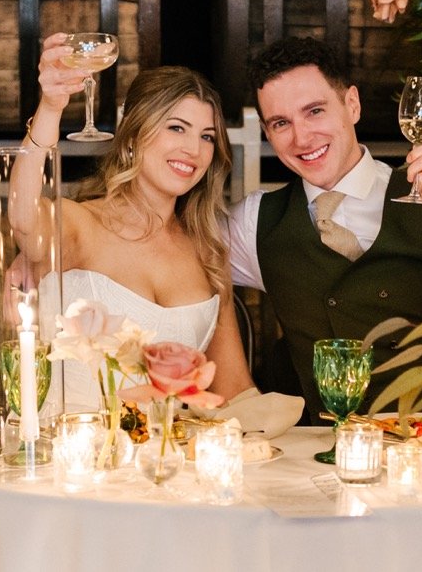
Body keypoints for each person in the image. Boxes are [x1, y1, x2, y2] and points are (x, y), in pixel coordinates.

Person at [227, 36, 422, 423]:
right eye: (281, 123)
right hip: (327, 459)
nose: (301, 137)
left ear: (352, 105)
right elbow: (167, 258)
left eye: (315, 111)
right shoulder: (253, 222)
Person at [17, 33, 256, 409]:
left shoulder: (208, 251)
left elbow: (234, 390)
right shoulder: (78, 224)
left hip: (163, 463)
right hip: (68, 459)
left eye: (207, 136)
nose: (193, 149)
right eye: (176, 128)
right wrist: (50, 108)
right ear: (133, 136)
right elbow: (24, 217)